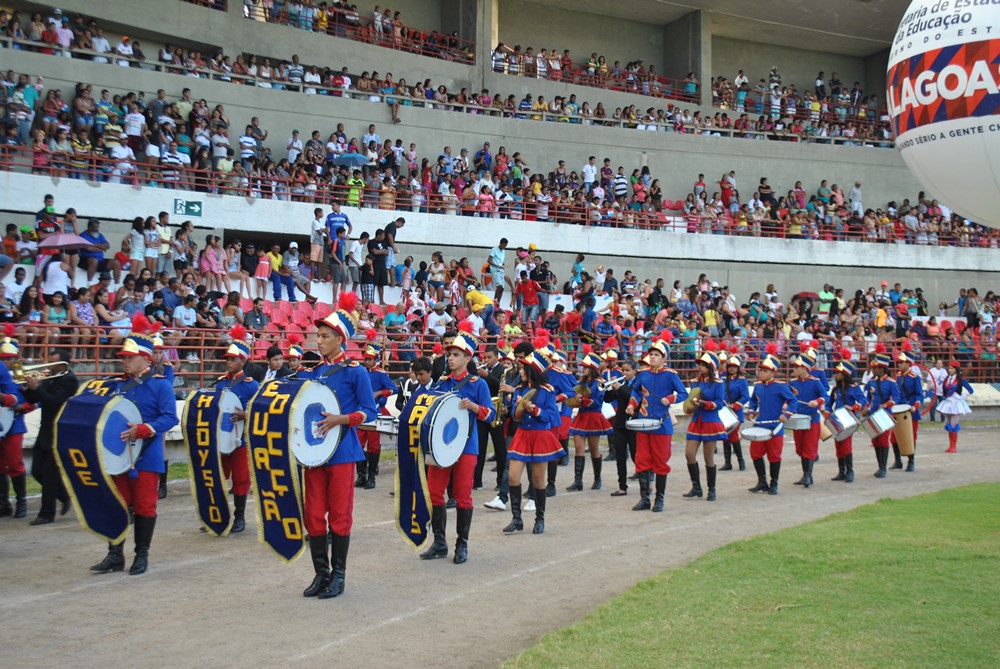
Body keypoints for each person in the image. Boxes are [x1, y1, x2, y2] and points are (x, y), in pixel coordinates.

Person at [297, 292, 377, 599]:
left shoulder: (356, 371)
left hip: (343, 451)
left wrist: (342, 418)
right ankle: (321, 574)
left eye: (324, 336)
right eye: (317, 335)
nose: (318, 340)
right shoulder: (314, 372)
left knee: (340, 514)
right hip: (314, 452)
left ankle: (339, 575)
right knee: (314, 514)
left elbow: (370, 412)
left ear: (340, 339)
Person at [88, 315, 179, 575]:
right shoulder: (119, 386)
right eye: (123, 357)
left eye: (129, 357)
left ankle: (141, 555)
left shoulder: (160, 385)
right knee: (115, 504)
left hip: (145, 456)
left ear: (145, 358)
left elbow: (170, 417)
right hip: (118, 456)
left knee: (144, 506)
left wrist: (144, 429)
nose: (124, 360)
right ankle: (115, 555)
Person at [420, 322, 494, 564]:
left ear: (467, 357)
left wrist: (474, 407)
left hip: (466, 446)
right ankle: (439, 542)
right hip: (440, 447)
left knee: (463, 495)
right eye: (448, 354)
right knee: (433, 493)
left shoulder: (478, 384)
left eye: (455, 355)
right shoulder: (441, 383)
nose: (450, 358)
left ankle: (462, 544)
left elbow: (492, 415)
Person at [625, 335, 687, 511]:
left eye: (656, 355)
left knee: (660, 462)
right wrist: (632, 404)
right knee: (642, 460)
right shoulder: (642, 374)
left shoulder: (670, 375)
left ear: (664, 358)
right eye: (651, 354)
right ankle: (645, 498)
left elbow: (684, 394)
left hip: (662, 425)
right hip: (643, 423)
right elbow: (636, 392)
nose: (652, 357)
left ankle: (659, 499)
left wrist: (671, 398)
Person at [503, 348, 562, 534]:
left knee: (537, 479)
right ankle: (516, 518)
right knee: (513, 476)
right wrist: (519, 408)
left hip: (540, 436)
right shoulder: (520, 389)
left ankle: (540, 518)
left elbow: (550, 417)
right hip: (522, 434)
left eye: (524, 368)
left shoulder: (547, 390)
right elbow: (514, 415)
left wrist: (534, 409)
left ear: (533, 370)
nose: (520, 371)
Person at [23, 348, 78, 525]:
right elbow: (33, 399)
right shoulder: (50, 377)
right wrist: (27, 387)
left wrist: (38, 388)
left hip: (59, 432)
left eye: (54, 363)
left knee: (48, 474)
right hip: (45, 430)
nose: (50, 366)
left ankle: (47, 514)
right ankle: (62, 494)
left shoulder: (70, 380)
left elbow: (55, 404)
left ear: (62, 364)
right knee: (36, 471)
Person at [214, 326, 259, 533]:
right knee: (218, 476)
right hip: (222, 437)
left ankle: (239, 517)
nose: (228, 362)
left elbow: (260, 412)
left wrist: (245, 415)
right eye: (227, 359)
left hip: (241, 439)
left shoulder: (251, 385)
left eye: (232, 359)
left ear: (242, 360)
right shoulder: (220, 384)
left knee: (241, 478)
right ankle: (218, 514)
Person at [746, 344, 798, 495]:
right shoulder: (758, 387)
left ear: (773, 372)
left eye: (765, 371)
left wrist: (786, 414)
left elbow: (793, 401)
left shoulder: (781, 386)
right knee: (755, 453)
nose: (761, 373)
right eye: (761, 370)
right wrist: (751, 411)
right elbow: (753, 401)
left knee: (774, 455)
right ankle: (761, 482)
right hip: (760, 425)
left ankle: (774, 483)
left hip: (775, 426)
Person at [683, 342, 727, 501]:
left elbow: (719, 403)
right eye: (700, 364)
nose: (700, 367)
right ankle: (696, 487)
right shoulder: (695, 381)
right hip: (696, 421)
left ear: (711, 367)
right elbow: (690, 401)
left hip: (710, 421)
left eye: (704, 365)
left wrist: (705, 404)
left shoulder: (718, 383)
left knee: (709, 458)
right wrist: (690, 406)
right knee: (689, 454)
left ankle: (711, 489)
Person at [564, 346, 612, 492]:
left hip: (593, 417)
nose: (582, 369)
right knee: (579, 448)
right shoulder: (581, 382)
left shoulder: (599, 382)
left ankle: (597, 479)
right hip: (582, 416)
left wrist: (584, 400)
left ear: (591, 368)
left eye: (585, 367)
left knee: (594, 449)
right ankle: (578, 481)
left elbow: (598, 402)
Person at [0, 325, 36, 519]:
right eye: (4, 359)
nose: (8, 362)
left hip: (14, 423)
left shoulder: (23, 377)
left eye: (11, 358)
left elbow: (34, 401)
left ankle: (21, 501)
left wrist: (22, 407)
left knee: (14, 463)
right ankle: (3, 502)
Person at [357, 331, 395, 490]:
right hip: (360, 411)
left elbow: (393, 389)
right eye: (365, 359)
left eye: (370, 359)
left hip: (375, 411)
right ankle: (361, 476)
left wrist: (379, 393)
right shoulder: (361, 372)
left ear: (376, 359)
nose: (367, 362)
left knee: (373, 445)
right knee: (359, 444)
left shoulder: (380, 374)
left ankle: (371, 477)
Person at [788, 351, 827, 489]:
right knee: (800, 448)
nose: (794, 369)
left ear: (804, 368)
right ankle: (805, 474)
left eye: (796, 367)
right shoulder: (792, 383)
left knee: (809, 448)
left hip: (812, 420)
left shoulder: (815, 382)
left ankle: (808, 475)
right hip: (798, 420)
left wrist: (817, 402)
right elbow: (788, 398)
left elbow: (825, 396)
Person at [826, 350, 866, 483]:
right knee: (838, 444)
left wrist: (853, 407)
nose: (836, 375)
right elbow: (829, 404)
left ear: (845, 374)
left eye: (838, 373)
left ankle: (850, 471)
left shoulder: (854, 387)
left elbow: (863, 401)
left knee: (846, 445)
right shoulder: (835, 389)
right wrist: (827, 412)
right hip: (837, 419)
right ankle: (841, 471)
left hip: (848, 419)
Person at [864, 345, 900, 479]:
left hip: (885, 414)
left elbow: (896, 398)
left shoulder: (891, 382)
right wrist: (866, 407)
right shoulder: (871, 382)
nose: (873, 370)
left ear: (882, 368)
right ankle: (879, 465)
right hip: (873, 414)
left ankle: (883, 467)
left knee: (884, 440)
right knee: (876, 441)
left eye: (875, 368)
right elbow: (868, 397)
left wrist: (886, 405)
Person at [476, 345, 508, 493]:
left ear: (496, 357)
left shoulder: (503, 370)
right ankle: (477, 480)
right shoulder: (483, 371)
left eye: (489, 357)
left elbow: (502, 386)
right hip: (483, 412)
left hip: (496, 412)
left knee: (500, 448)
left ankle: (501, 481)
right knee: (480, 447)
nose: (486, 360)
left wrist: (486, 376)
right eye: (485, 357)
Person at [608, 359, 638, 497]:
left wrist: (619, 387)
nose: (625, 373)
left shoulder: (637, 384)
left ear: (634, 371)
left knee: (635, 454)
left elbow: (631, 397)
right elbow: (607, 399)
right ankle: (622, 486)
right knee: (620, 455)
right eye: (623, 371)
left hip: (633, 423)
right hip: (620, 423)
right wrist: (609, 386)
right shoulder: (622, 384)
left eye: (627, 370)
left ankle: (646, 482)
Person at [892, 343, 923, 472]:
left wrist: (915, 406)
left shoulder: (915, 378)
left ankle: (911, 461)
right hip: (898, 409)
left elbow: (919, 395)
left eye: (901, 363)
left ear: (908, 364)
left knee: (911, 436)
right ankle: (897, 461)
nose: (899, 365)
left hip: (910, 410)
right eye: (898, 363)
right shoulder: (897, 377)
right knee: (894, 437)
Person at [720, 346, 749, 471]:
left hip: (735, 412)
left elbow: (745, 396)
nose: (731, 368)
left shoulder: (742, 381)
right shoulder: (722, 379)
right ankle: (728, 462)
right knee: (725, 438)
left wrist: (736, 405)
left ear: (738, 368)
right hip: (724, 412)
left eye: (734, 366)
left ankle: (740, 461)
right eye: (730, 366)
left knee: (734, 438)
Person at [939, 362, 974, 453]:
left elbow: (970, 390)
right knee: (949, 423)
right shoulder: (947, 379)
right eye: (949, 368)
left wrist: (961, 396)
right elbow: (944, 390)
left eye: (952, 368)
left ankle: (953, 446)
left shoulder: (961, 379)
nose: (949, 370)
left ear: (956, 369)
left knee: (953, 424)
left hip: (956, 403)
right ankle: (950, 445)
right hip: (948, 402)